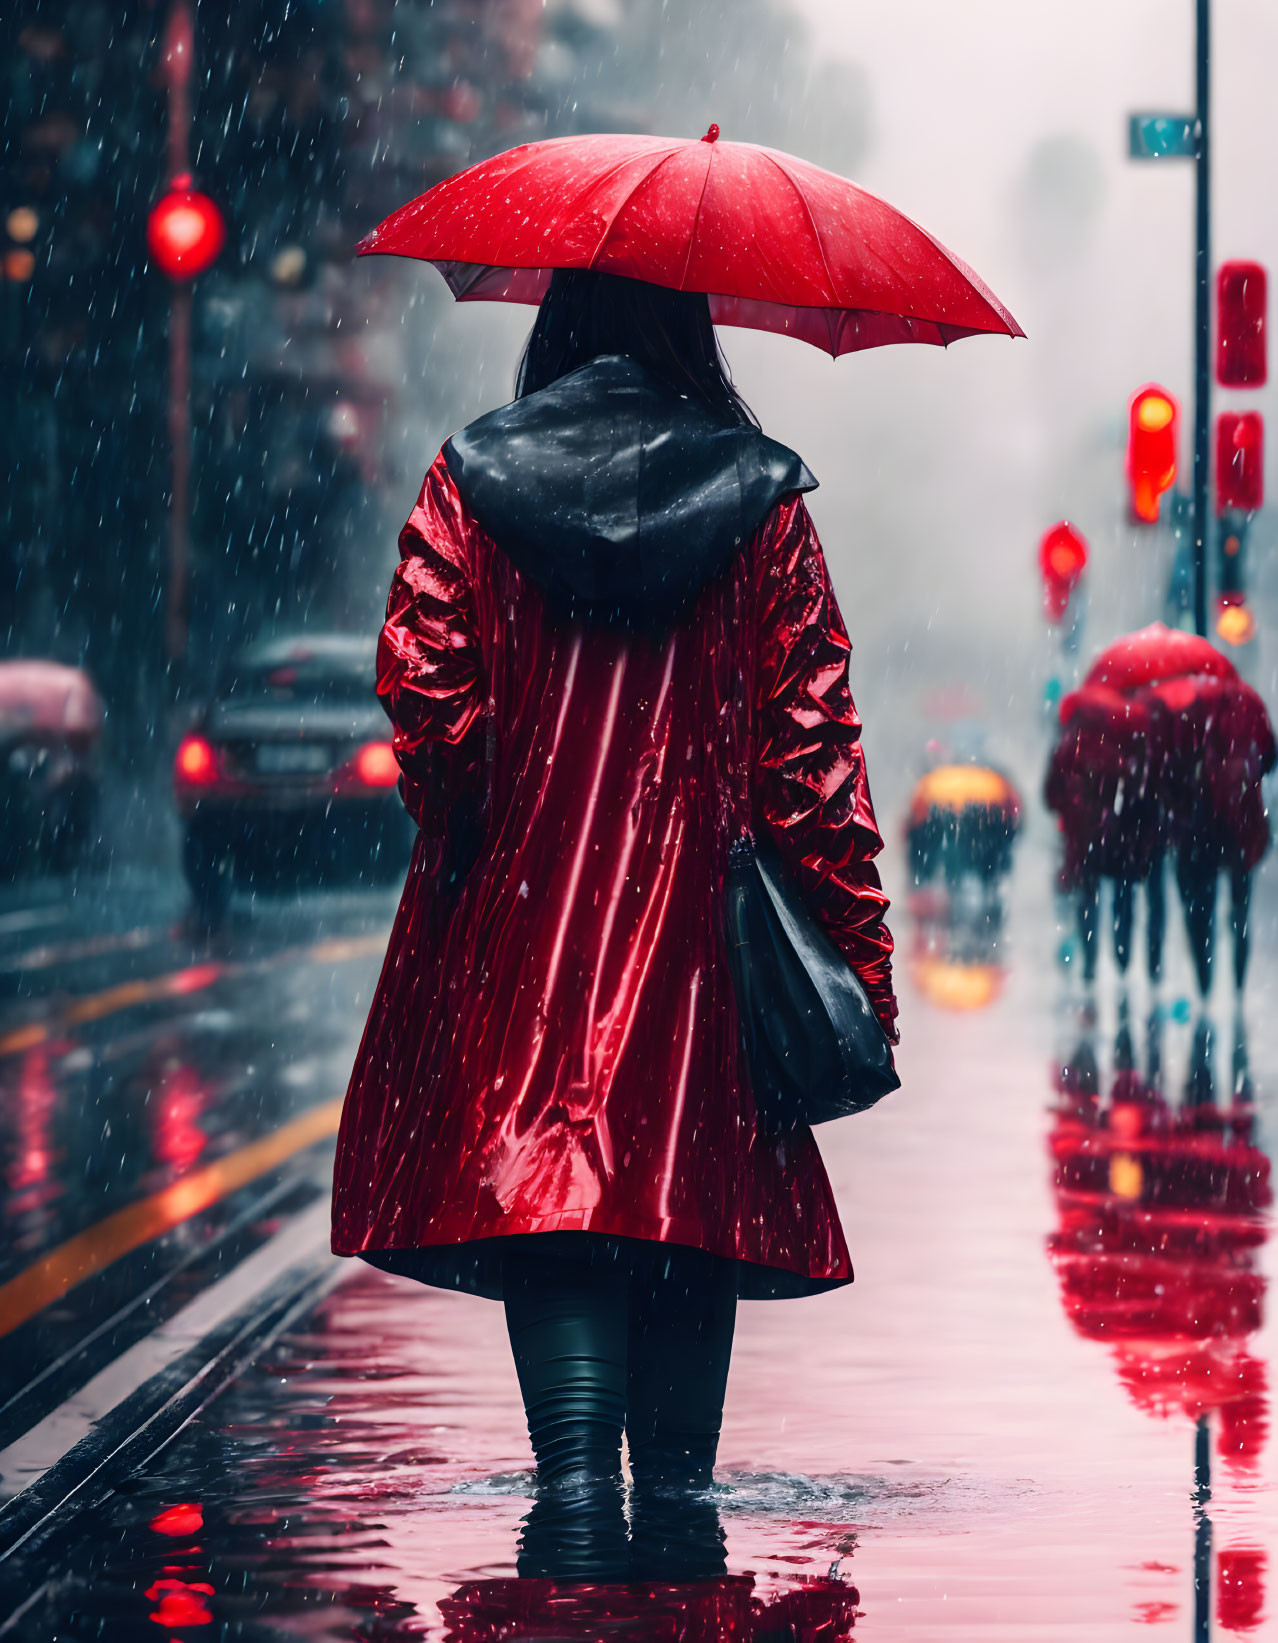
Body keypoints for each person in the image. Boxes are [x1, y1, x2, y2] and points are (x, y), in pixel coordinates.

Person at [331, 268, 898, 1574]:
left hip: (521, 927)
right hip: (701, 937)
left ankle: (574, 1482)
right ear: (690, 328)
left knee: (556, 1187)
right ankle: (677, 1511)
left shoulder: (468, 483)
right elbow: (812, 760)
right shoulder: (760, 503)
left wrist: (485, 821)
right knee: (682, 1195)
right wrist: (848, 958)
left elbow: (431, 710)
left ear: (555, 320)